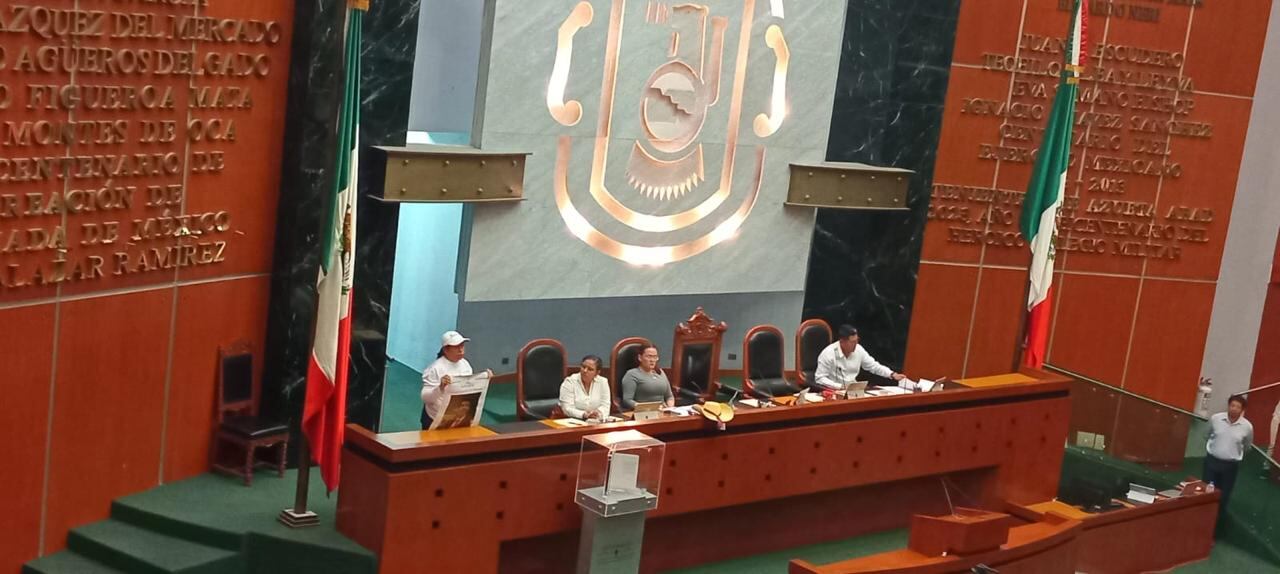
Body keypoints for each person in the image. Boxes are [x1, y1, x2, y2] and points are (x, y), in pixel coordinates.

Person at [420, 330, 490, 430]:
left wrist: (485, 378)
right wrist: (440, 388)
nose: (461, 350)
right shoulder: (435, 369)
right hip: (435, 419)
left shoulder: (465, 364)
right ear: (446, 350)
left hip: (457, 420)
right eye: (456, 347)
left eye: (462, 346)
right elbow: (426, 398)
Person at [812, 325, 906, 391]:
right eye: (852, 342)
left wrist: (892, 374)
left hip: (854, 391)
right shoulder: (828, 353)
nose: (855, 344)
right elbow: (819, 378)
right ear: (842, 341)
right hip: (834, 391)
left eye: (857, 340)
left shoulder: (859, 349)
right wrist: (839, 386)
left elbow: (873, 366)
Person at [1203, 394, 1254, 516]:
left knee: (1224, 495)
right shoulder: (1216, 418)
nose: (1234, 409)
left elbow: (1247, 445)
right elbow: (1206, 435)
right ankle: (1203, 517)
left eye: (1238, 407)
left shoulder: (1247, 427)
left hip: (1230, 466)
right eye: (1232, 405)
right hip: (1212, 462)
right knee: (1206, 492)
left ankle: (1218, 520)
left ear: (1242, 410)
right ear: (1228, 406)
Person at [620, 344, 674, 410]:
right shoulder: (632, 374)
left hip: (662, 411)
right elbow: (627, 400)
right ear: (640, 357)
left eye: (655, 357)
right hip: (643, 412)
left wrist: (670, 408)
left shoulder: (660, 372)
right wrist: (648, 408)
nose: (652, 360)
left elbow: (669, 397)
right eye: (649, 356)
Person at [559, 355, 611, 421]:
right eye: (583, 367)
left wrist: (598, 413)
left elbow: (606, 406)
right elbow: (567, 408)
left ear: (597, 373)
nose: (585, 370)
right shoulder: (570, 382)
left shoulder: (603, 382)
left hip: (596, 421)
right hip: (572, 421)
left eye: (590, 369)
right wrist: (584, 414)